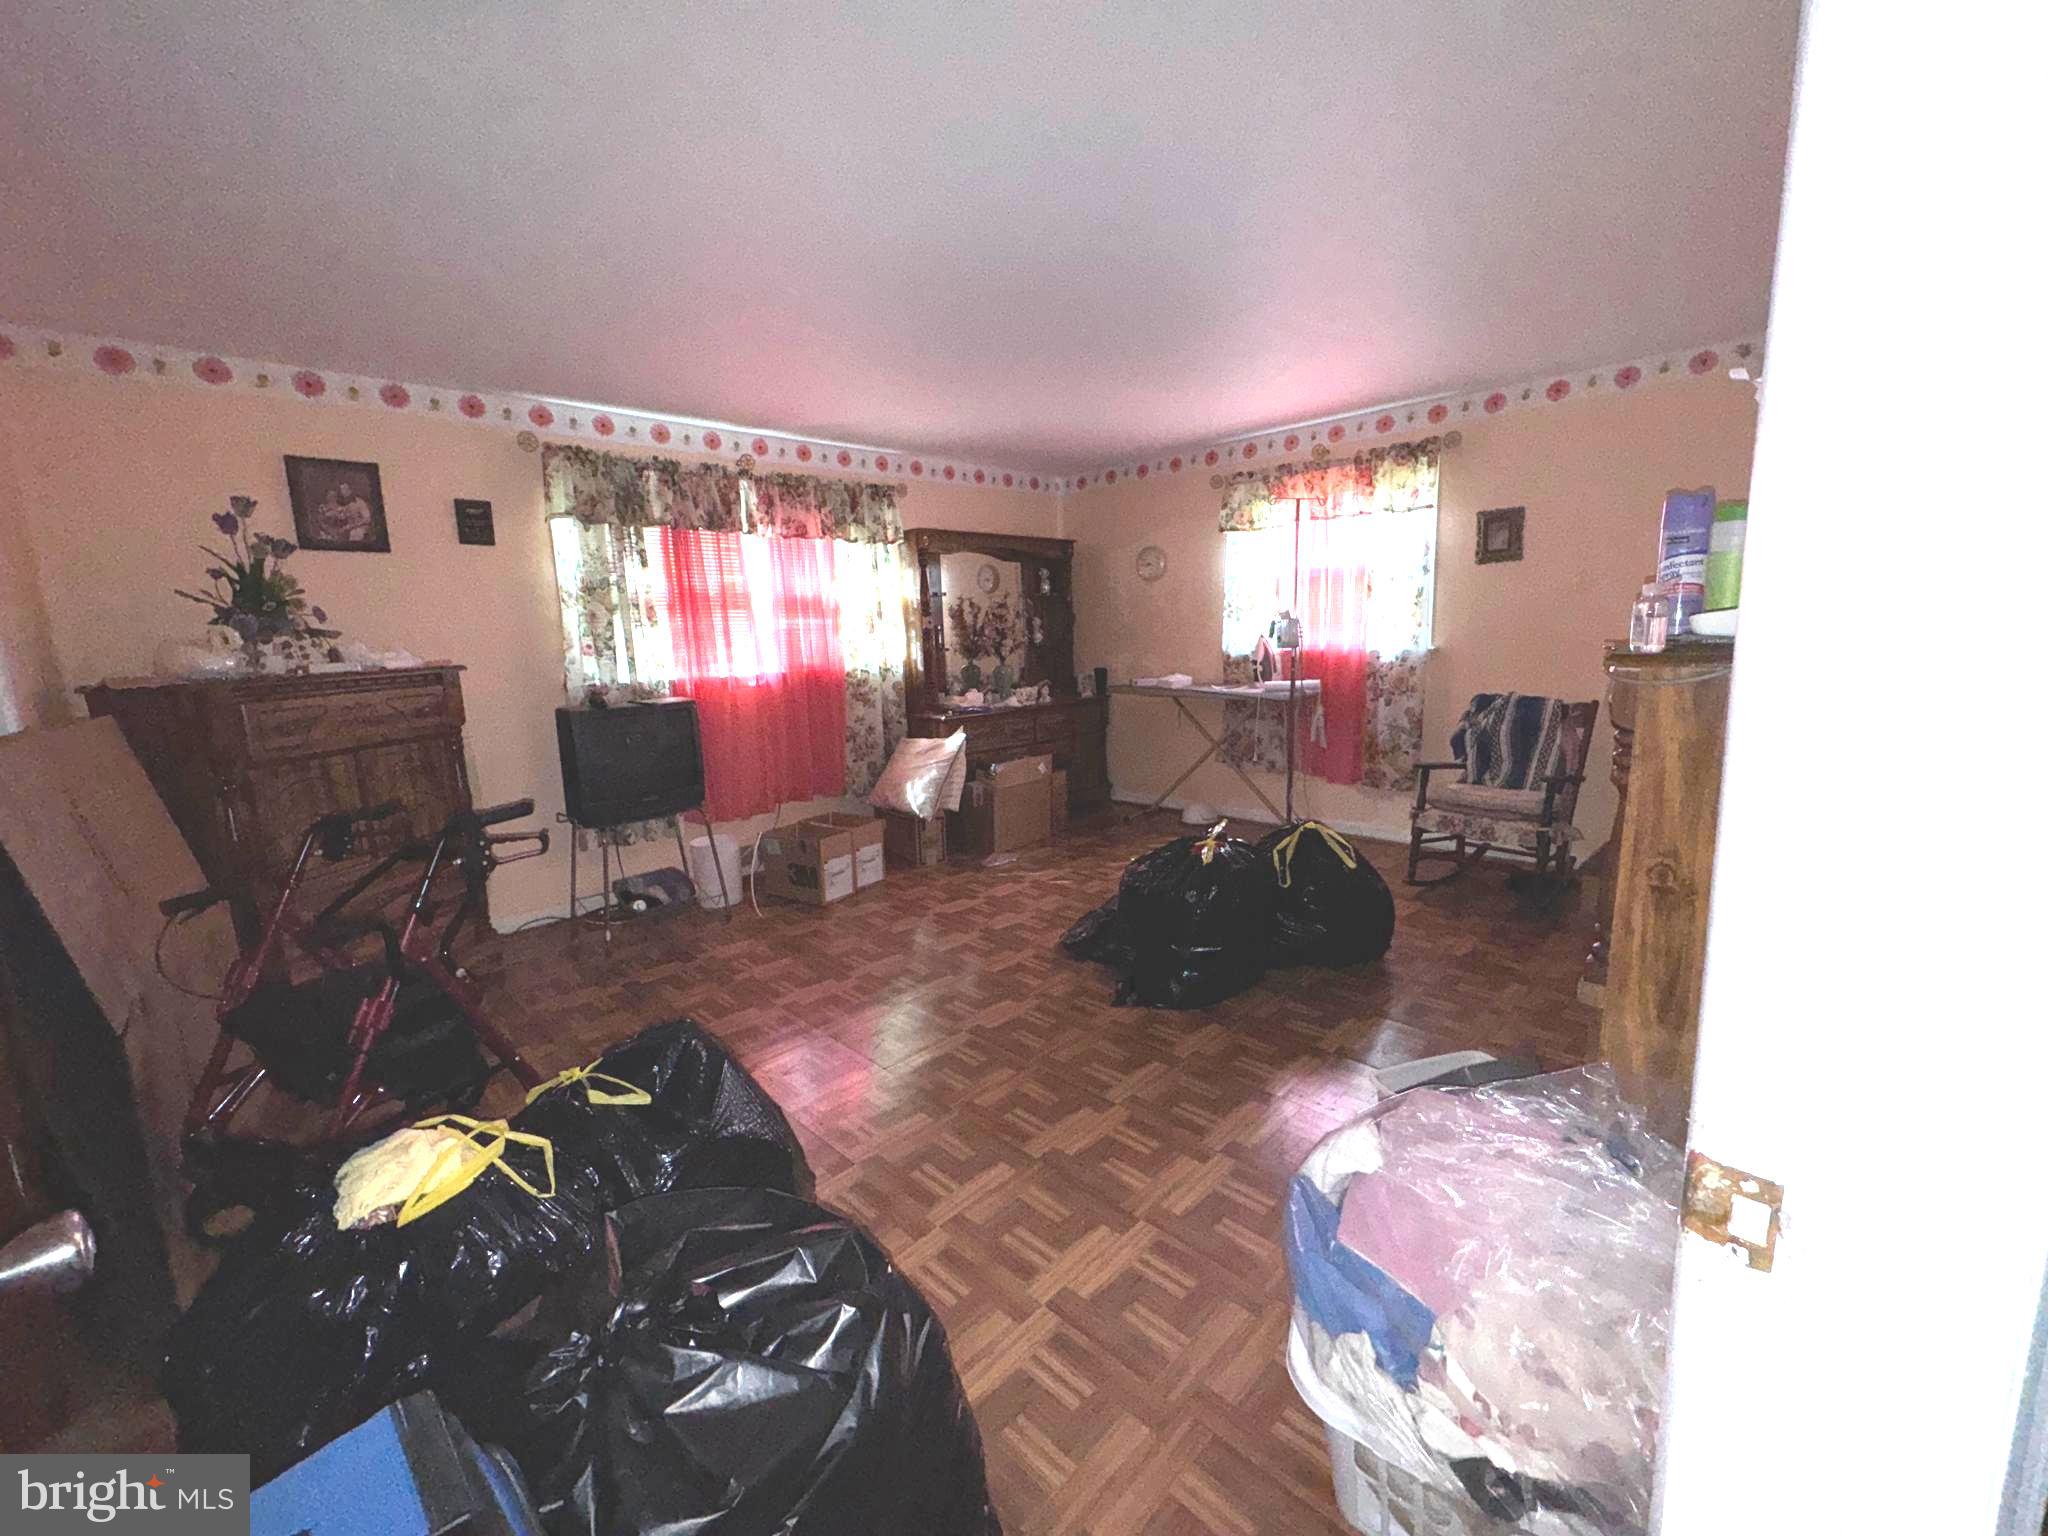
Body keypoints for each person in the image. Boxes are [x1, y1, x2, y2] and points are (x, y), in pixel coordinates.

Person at [314, 480, 377, 544]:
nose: (343, 492)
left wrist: (352, 526)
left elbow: (368, 519)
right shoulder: (344, 504)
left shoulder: (360, 502)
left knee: (354, 534)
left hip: (360, 529)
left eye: (345, 489)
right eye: (342, 490)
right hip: (346, 530)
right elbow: (340, 517)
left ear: (351, 490)